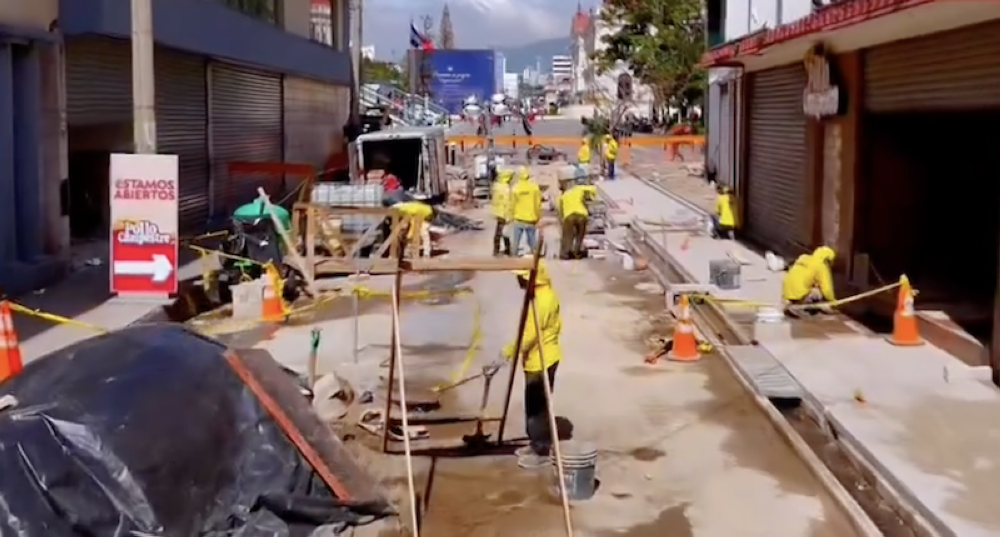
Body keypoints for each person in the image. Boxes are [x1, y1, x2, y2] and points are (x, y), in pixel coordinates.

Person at [489, 259, 562, 469]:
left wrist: (507, 352)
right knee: (533, 405)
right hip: (538, 358)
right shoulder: (540, 294)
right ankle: (535, 442)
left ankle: (541, 449)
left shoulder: (542, 301)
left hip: (542, 360)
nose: (518, 280)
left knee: (537, 408)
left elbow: (529, 335)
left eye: (521, 277)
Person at [782, 246, 837, 313]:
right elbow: (827, 290)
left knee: (812, 283)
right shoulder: (821, 267)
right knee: (818, 290)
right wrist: (833, 302)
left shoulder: (803, 257)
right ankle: (803, 305)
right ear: (827, 260)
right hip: (800, 294)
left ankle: (790, 302)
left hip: (787, 292)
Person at [558, 183, 597, 260]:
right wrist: (593, 196)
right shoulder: (578, 189)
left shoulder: (562, 197)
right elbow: (593, 189)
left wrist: (563, 221)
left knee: (567, 236)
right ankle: (577, 253)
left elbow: (560, 211)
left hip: (569, 216)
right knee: (580, 235)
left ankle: (565, 254)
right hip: (581, 215)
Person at [509, 167, 541, 255]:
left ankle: (514, 258)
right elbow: (537, 204)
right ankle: (535, 256)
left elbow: (512, 204)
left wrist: (511, 216)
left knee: (516, 241)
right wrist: (538, 216)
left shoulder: (515, 188)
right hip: (531, 218)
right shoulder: (534, 187)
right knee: (532, 240)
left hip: (518, 218)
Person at [491, 168, 514, 256]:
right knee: (504, 233)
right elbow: (506, 203)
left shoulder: (496, 186)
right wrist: (509, 216)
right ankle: (506, 250)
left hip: (498, 213)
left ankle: (497, 249)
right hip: (504, 213)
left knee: (500, 233)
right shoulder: (506, 189)